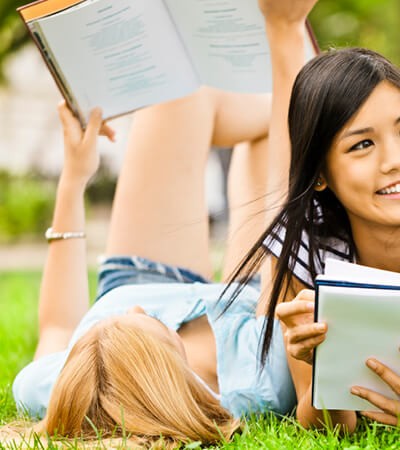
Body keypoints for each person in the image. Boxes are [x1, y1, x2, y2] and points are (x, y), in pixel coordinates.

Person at [9, 19, 304, 442]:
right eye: (144, 325)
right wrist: (286, 37)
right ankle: (302, 93)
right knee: (272, 139)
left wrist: (74, 178)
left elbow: (57, 327)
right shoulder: (261, 375)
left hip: (143, 273)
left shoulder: (57, 387)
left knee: (180, 92)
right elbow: (284, 204)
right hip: (255, 299)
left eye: (101, 328)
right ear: (170, 374)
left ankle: (273, 102)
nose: (135, 310)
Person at [226, 0, 400, 433]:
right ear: (320, 174)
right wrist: (324, 369)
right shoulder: (309, 244)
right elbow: (319, 418)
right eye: (362, 144)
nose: (394, 160)